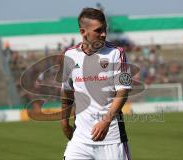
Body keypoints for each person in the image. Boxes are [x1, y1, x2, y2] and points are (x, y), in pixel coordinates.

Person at [61, 8, 132, 160]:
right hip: (80, 140)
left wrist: (105, 122)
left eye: (105, 29)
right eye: (98, 30)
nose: (104, 34)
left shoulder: (116, 53)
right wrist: (64, 124)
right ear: (83, 32)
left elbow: (123, 92)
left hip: (111, 139)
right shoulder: (70, 55)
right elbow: (66, 92)